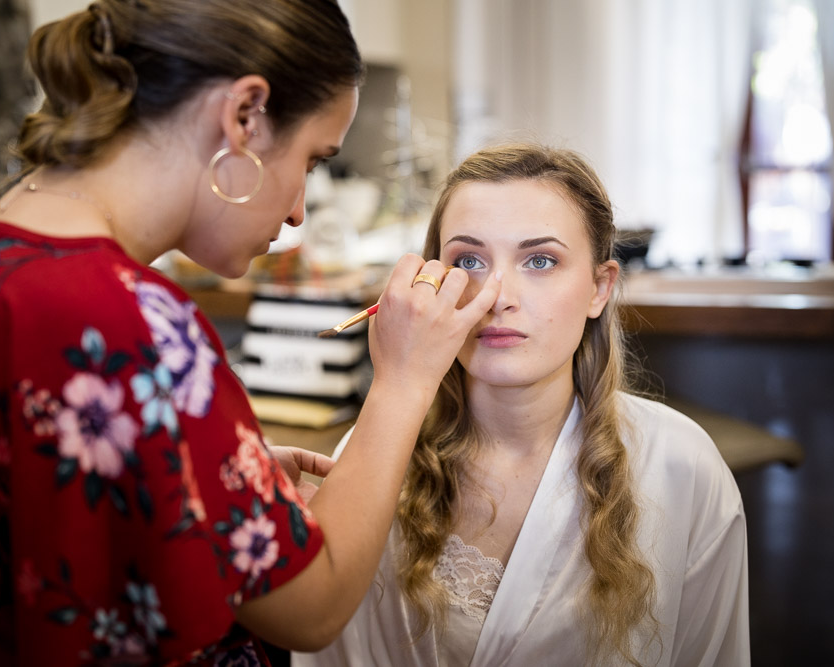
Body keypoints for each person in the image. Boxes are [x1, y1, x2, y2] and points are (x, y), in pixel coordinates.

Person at [0, 1, 501, 664]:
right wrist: (404, 381)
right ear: (243, 117)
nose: (299, 211)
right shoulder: (129, 321)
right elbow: (314, 606)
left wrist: (203, 472)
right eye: (313, 160)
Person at [294, 143, 750, 666]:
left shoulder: (683, 467)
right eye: (469, 261)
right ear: (433, 281)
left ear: (600, 288)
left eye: (540, 260)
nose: (498, 295)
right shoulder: (371, 456)